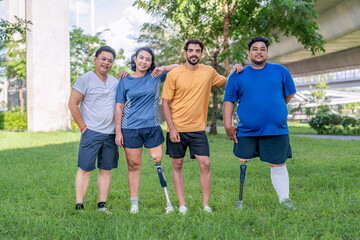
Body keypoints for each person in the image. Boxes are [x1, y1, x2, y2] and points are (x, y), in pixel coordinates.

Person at [162, 39, 243, 214]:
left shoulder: (209, 72)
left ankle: (205, 205)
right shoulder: (174, 73)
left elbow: (226, 81)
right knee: (177, 164)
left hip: (198, 129)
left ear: (201, 54)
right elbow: (165, 103)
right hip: (176, 128)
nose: (194, 53)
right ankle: (182, 205)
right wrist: (172, 128)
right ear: (185, 53)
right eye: (190, 50)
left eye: (197, 51)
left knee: (205, 164)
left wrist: (237, 69)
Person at [223, 36, 296, 208]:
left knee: (278, 163)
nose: (259, 52)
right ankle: (240, 199)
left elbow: (289, 94)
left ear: (267, 52)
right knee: (242, 158)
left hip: (276, 129)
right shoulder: (237, 75)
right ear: (249, 53)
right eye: (255, 49)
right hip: (247, 129)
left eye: (262, 49)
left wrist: (276, 106)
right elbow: (228, 101)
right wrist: (227, 125)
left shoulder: (281, 71)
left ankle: (284, 198)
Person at [115, 47, 178, 214]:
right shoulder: (125, 80)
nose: (144, 61)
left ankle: (168, 203)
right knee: (133, 166)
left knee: (158, 161)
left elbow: (180, 66)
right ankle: (134, 205)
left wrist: (163, 68)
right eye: (141, 58)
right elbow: (119, 108)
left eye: (148, 59)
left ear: (151, 62)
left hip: (152, 128)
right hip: (130, 129)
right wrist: (118, 132)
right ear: (135, 59)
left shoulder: (155, 76)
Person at [68, 46, 119, 213]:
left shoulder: (114, 82)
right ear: (95, 59)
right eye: (103, 59)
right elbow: (72, 104)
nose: (106, 63)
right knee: (85, 169)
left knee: (106, 170)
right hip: (91, 133)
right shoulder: (85, 79)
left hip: (110, 134)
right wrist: (83, 127)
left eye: (110, 61)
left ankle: (101, 205)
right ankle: (79, 205)